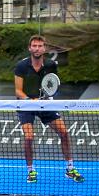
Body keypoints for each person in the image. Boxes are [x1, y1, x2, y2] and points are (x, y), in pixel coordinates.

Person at [14, 35, 84, 183]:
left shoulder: (51, 65)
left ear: (44, 48)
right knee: (29, 137)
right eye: (34, 46)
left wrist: (46, 98)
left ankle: (70, 169)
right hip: (26, 105)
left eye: (40, 46)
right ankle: (31, 171)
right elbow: (18, 91)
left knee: (64, 133)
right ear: (29, 48)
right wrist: (30, 100)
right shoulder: (21, 66)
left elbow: (53, 85)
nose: (37, 48)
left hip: (45, 104)